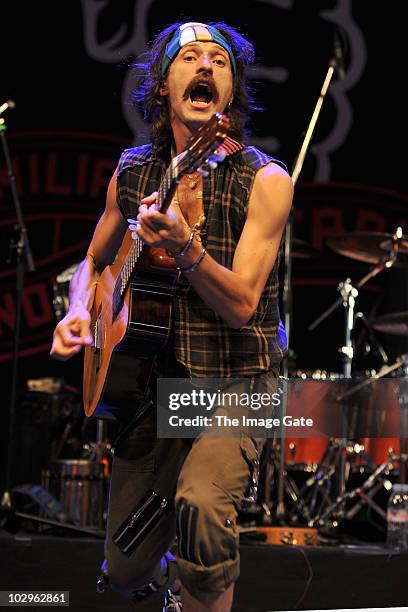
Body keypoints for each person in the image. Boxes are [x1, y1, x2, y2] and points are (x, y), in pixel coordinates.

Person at [51, 20, 293, 612]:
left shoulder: (264, 180)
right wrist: (81, 307)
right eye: (189, 58)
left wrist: (187, 248)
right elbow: (93, 258)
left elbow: (241, 307)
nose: (205, 66)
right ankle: (171, 584)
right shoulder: (133, 171)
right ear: (164, 84)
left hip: (241, 381)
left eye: (219, 60)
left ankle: (199, 586)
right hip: (157, 388)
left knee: (205, 517)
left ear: (231, 88)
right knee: (126, 566)